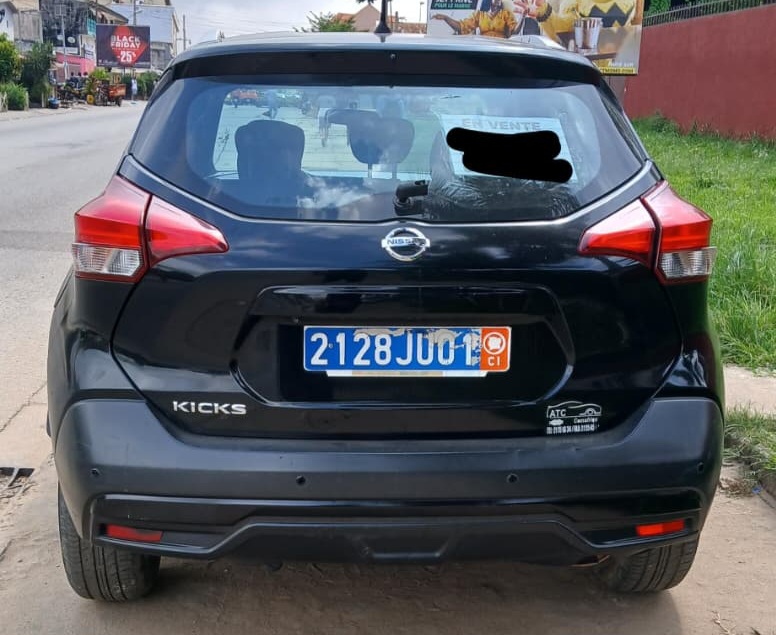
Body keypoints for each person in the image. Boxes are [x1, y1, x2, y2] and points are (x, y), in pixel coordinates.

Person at [431, 0, 518, 38]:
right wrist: (446, 18)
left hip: (500, 49)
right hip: (484, 48)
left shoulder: (506, 14)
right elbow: (462, 27)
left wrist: (523, 16)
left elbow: (515, 31)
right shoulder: (479, 14)